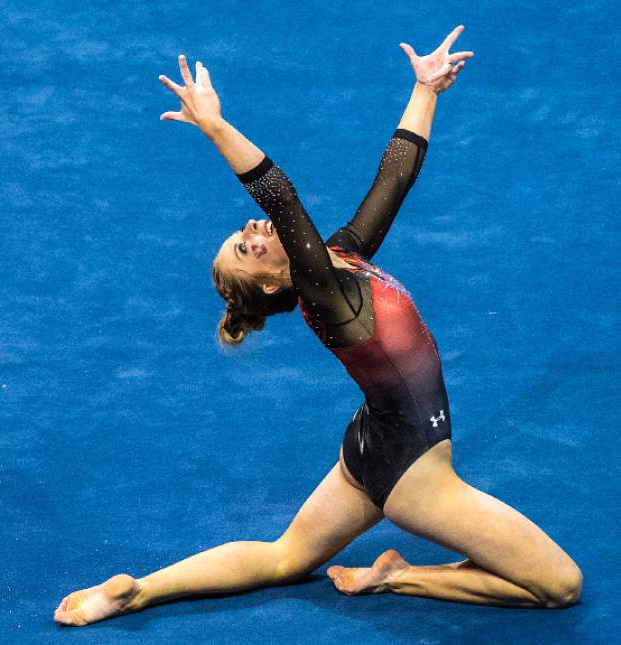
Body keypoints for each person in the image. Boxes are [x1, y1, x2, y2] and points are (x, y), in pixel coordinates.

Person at [54, 25, 582, 627]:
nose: (253, 232)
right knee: (559, 585)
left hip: (374, 442)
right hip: (415, 470)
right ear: (279, 282)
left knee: (286, 558)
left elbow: (394, 179)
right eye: (247, 250)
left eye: (242, 234)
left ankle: (139, 591)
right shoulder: (325, 294)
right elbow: (280, 197)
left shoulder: (342, 260)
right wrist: (215, 126)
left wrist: (426, 89)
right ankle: (402, 575)